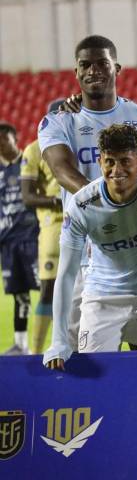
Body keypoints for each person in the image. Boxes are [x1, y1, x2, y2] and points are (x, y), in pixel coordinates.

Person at [38, 35, 137, 351]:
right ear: (76, 72)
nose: (93, 70)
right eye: (85, 64)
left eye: (102, 62)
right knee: (83, 356)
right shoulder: (59, 120)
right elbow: (62, 170)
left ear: (118, 68)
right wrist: (110, 205)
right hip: (86, 250)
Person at [43, 124, 137, 370]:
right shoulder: (82, 205)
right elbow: (67, 273)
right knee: (97, 377)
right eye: (110, 161)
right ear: (100, 160)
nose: (117, 170)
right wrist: (59, 340)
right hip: (103, 298)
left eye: (125, 161)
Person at [19, 100, 64, 354]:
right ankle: (35, 352)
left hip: (82, 225)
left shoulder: (75, 145)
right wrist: (57, 200)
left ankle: (73, 347)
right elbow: (27, 196)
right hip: (52, 227)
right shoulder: (34, 150)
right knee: (48, 289)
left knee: (82, 292)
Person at [0, 123, 39, 355]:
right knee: (20, 295)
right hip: (8, 242)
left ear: (16, 138)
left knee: (48, 290)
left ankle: (62, 338)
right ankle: (21, 345)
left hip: (33, 238)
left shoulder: (29, 163)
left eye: (5, 139)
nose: (1, 145)